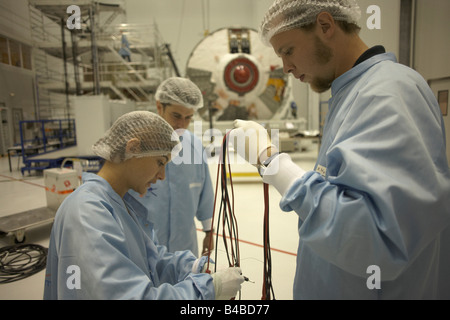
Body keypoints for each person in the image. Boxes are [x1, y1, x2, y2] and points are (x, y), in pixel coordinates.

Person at [230, 0, 450, 299]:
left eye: (288, 50)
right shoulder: (352, 93)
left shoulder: (388, 92)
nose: (286, 67)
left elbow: (378, 243)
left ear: (325, 25)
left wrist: (272, 161)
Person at [43, 111, 244, 299]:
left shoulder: (120, 204)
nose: (162, 175)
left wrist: (190, 267)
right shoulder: (88, 212)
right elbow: (132, 295)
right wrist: (208, 289)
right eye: (160, 162)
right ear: (132, 148)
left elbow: (150, 261)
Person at [130, 77, 214, 257]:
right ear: (160, 107)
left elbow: (205, 192)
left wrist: (209, 231)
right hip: (143, 248)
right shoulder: (137, 145)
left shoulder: (195, 146)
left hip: (184, 249)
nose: (181, 124)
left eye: (188, 118)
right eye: (176, 116)